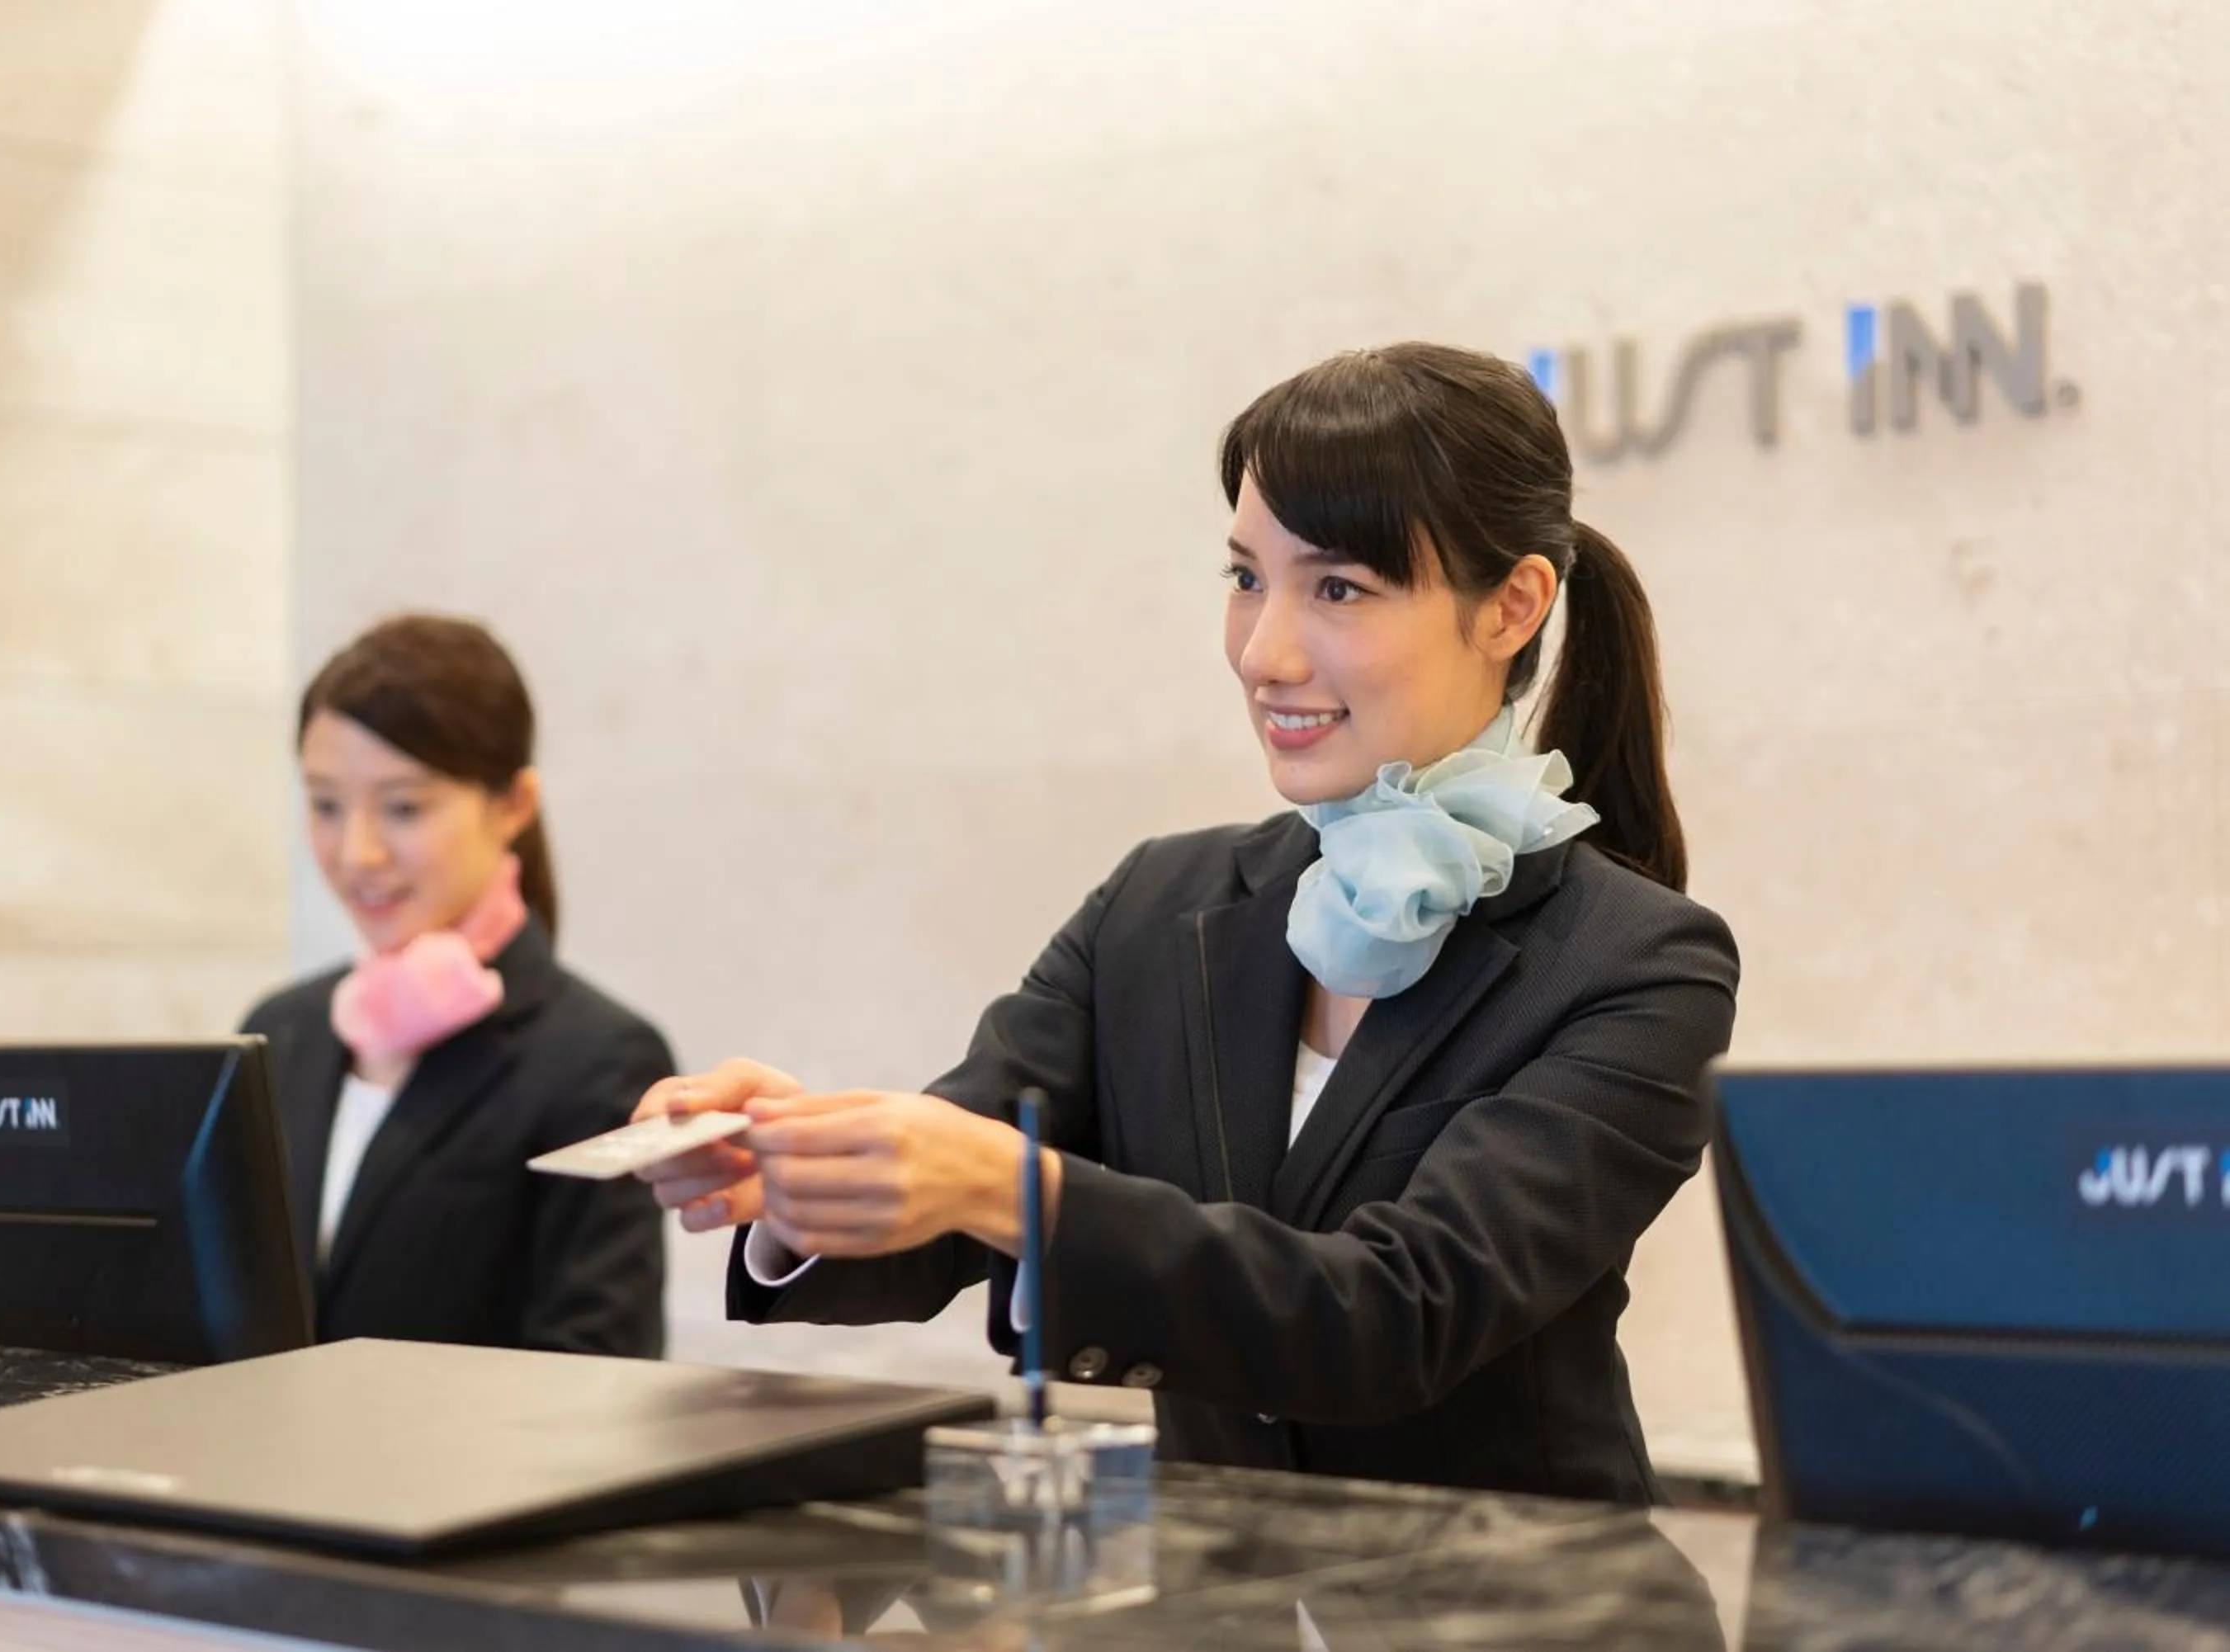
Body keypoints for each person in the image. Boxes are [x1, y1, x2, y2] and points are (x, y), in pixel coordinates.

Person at [635, 343, 1740, 1503]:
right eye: (1246, 577)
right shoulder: (1159, 907)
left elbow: (1395, 1315)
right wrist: (808, 1167)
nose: (1265, 652)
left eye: (1339, 588)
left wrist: (1013, 1188)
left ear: (1512, 605)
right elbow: (951, 1186)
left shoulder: (1640, 963)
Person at [243, 614, 671, 1355]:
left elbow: (598, 1376)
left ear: (513, 806)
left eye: (404, 807)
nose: (358, 852)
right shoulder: (280, 1032)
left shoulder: (600, 1061)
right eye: (325, 805)